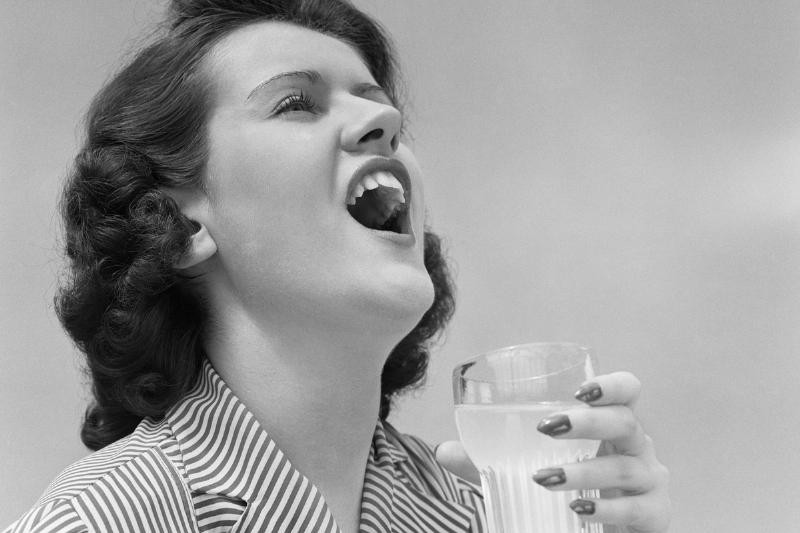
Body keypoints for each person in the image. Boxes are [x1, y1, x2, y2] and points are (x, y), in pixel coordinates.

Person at [4, 1, 670, 532]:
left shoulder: (478, 517)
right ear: (178, 225)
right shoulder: (101, 521)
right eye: (297, 103)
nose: (383, 118)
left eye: (380, 104)